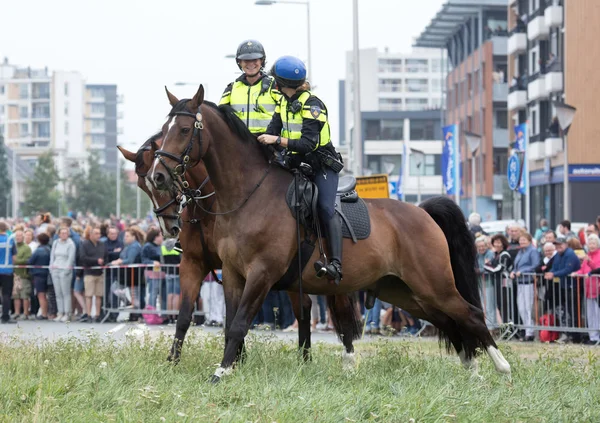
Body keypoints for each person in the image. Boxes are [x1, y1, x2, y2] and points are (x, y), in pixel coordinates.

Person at [258, 56, 344, 285]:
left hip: (322, 165)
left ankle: (336, 263)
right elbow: (270, 132)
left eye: (275, 80)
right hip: (296, 164)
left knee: (325, 207)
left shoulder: (313, 105)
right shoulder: (283, 103)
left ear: (280, 82)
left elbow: (308, 144)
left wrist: (276, 139)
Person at [219, 39, 281, 135]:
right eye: (246, 60)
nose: (251, 64)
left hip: (269, 143)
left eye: (255, 60)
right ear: (239, 62)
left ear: (262, 61)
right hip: (241, 144)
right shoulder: (231, 89)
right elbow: (219, 117)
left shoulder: (274, 86)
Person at [0, 221, 18, 324]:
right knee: (6, 294)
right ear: (6, 229)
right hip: (7, 271)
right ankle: (5, 316)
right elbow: (14, 257)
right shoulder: (10, 240)